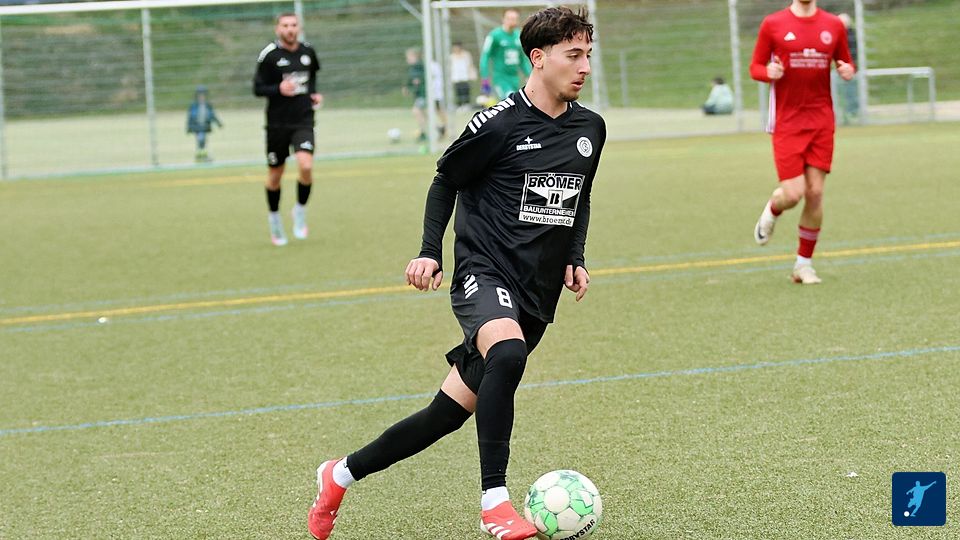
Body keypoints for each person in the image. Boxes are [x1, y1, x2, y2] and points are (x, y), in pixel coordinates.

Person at [307, 7, 605, 540]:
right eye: (573, 55)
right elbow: (445, 181)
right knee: (507, 353)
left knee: (444, 415)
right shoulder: (499, 123)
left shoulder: (590, 128)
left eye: (588, 55)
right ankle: (495, 503)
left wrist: (574, 255)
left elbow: (579, 197)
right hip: (483, 271)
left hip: (536, 291)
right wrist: (430, 252)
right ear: (538, 58)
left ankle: (340, 474)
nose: (584, 67)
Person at [750, 0, 855, 284]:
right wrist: (767, 72)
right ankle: (774, 207)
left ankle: (803, 265)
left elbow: (846, 61)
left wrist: (848, 70)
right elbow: (755, 67)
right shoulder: (773, 24)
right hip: (787, 122)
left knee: (815, 193)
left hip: (821, 121)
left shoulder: (833, 25)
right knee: (793, 194)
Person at [253, 13, 322, 246]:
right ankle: (274, 218)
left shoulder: (308, 52)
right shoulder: (269, 55)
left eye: (293, 25)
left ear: (298, 28)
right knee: (275, 175)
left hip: (303, 120)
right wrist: (278, 88)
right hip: (277, 125)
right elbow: (257, 88)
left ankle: (299, 210)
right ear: (278, 29)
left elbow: (312, 78)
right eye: (285, 25)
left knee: (306, 165)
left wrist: (313, 94)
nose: (290, 29)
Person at [479, 8, 532, 101]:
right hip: (501, 78)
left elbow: (522, 59)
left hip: (515, 78)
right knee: (509, 100)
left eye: (515, 18)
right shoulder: (494, 36)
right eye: (510, 18)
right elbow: (485, 57)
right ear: (503, 19)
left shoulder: (519, 36)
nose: (512, 21)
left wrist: (529, 75)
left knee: (516, 103)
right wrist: (485, 78)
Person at [186, 85, 223, 162]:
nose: (202, 98)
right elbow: (190, 117)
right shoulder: (194, 106)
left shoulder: (207, 106)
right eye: (200, 96)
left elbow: (212, 115)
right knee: (201, 140)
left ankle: (201, 156)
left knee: (203, 141)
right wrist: (189, 127)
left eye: (203, 96)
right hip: (197, 127)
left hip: (205, 126)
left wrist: (218, 123)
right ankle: (201, 156)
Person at [835, 13, 859, 124]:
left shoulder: (849, 36)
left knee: (850, 92)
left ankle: (851, 114)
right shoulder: (842, 35)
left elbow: (849, 54)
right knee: (843, 93)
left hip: (849, 70)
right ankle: (845, 115)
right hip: (840, 69)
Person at [404, 47, 428, 142]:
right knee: (424, 114)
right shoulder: (413, 68)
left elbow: (420, 80)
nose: (407, 60)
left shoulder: (420, 67)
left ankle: (423, 132)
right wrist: (407, 87)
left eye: (409, 57)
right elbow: (411, 80)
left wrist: (418, 82)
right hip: (419, 95)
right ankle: (435, 129)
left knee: (416, 111)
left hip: (423, 94)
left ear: (414, 57)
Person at [450, 41, 478, 110]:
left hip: (465, 76)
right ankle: (459, 105)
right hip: (456, 77)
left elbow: (470, 65)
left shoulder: (466, 55)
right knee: (458, 91)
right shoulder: (452, 56)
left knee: (465, 90)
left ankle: (466, 104)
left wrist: (472, 74)